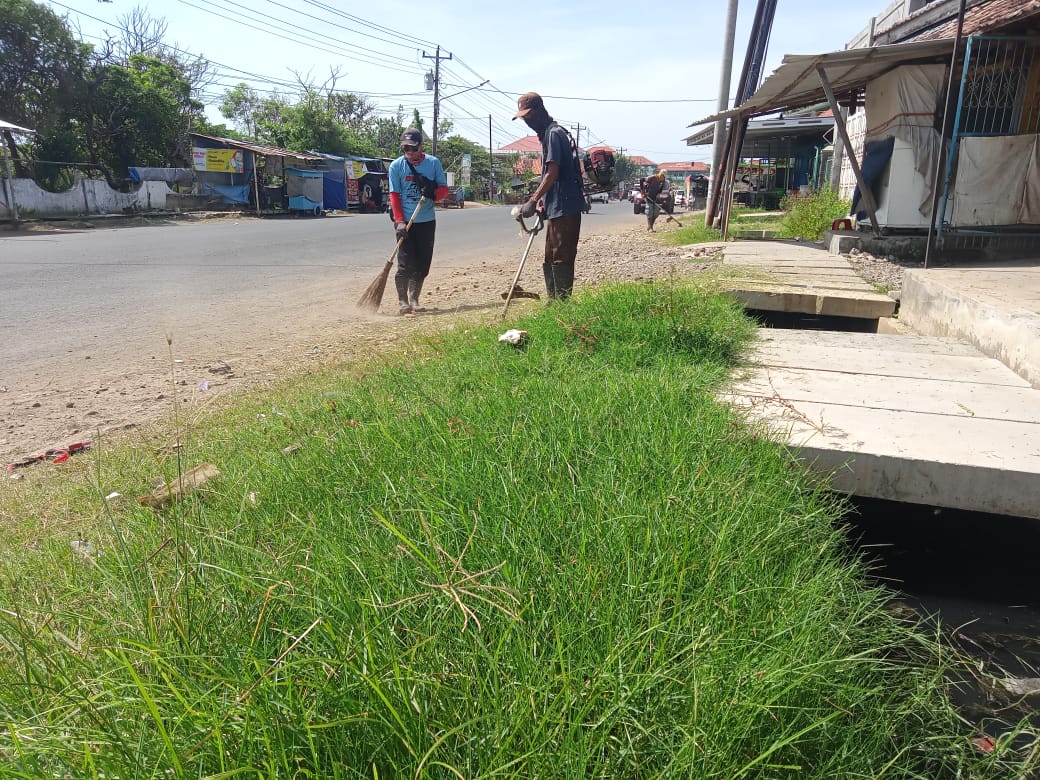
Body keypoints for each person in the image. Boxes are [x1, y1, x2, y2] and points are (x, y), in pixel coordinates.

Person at [513, 92, 585, 301]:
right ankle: (553, 302)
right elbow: (551, 174)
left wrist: (533, 200)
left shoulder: (554, 134)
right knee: (551, 254)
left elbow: (552, 173)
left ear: (539, 111)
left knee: (561, 255)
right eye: (524, 118)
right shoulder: (549, 134)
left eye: (528, 116)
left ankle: (561, 303)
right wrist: (544, 202)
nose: (527, 122)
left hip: (566, 206)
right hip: (557, 206)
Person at [387, 128, 448, 315]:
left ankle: (414, 298)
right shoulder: (396, 166)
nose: (410, 152)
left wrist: (433, 193)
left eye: (413, 148)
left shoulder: (433, 163)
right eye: (406, 148)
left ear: (421, 147)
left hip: (426, 220)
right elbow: (394, 196)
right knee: (405, 263)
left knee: (423, 263)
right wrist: (399, 222)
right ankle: (402, 301)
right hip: (405, 222)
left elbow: (444, 190)